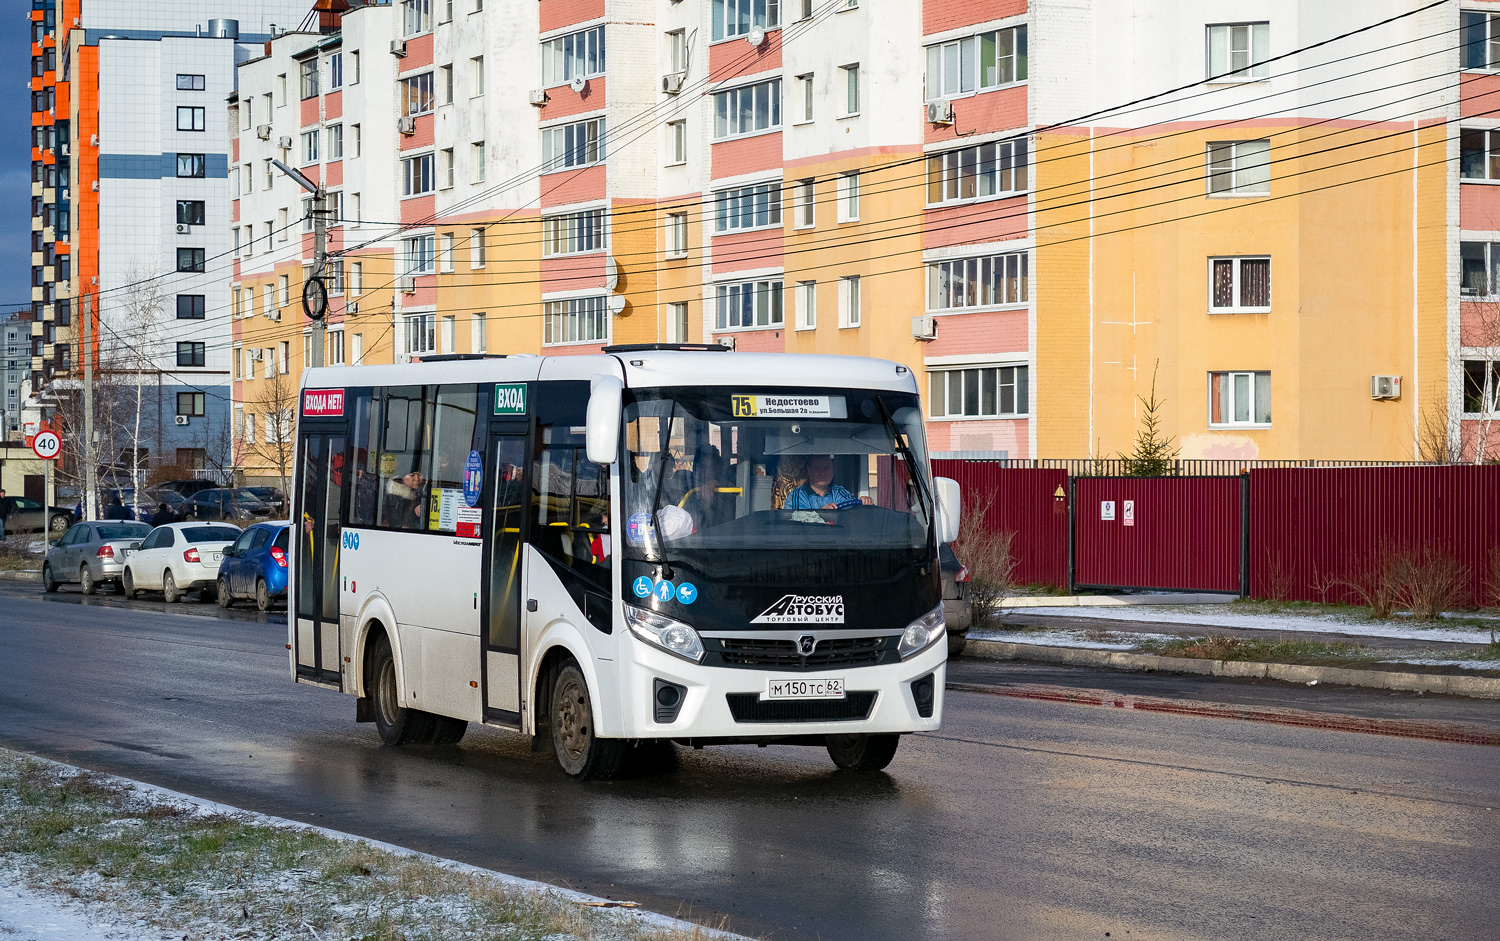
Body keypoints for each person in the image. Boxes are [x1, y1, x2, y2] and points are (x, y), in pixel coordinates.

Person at [782, 455, 873, 511]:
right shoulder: (797, 495)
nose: (822, 472)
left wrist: (863, 503)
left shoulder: (839, 492)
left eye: (827, 468)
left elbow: (852, 513)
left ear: (833, 470)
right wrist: (822, 513)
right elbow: (796, 521)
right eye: (817, 468)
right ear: (808, 471)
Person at [680, 449, 736, 530]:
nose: (706, 471)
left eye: (712, 467)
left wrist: (717, 484)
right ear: (695, 468)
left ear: (717, 470)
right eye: (702, 466)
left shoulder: (725, 490)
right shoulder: (687, 490)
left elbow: (734, 489)